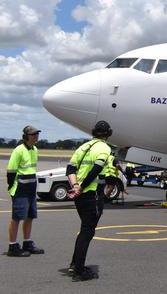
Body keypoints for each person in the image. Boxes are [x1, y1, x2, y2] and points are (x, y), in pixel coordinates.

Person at [66, 120, 113, 281]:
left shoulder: (83, 147)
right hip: (92, 194)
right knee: (88, 231)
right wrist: (82, 187)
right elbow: (96, 169)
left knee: (84, 229)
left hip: (80, 195)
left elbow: (70, 169)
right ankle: (79, 271)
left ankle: (74, 264)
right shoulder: (104, 148)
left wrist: (75, 186)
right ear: (108, 134)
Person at [5, 125, 45, 257]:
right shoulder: (18, 150)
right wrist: (11, 187)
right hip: (20, 189)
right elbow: (11, 171)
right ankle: (12, 246)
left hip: (31, 188)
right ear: (25, 136)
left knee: (30, 216)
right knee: (16, 218)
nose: (36, 136)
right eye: (33, 134)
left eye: (37, 134)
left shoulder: (35, 149)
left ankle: (27, 242)